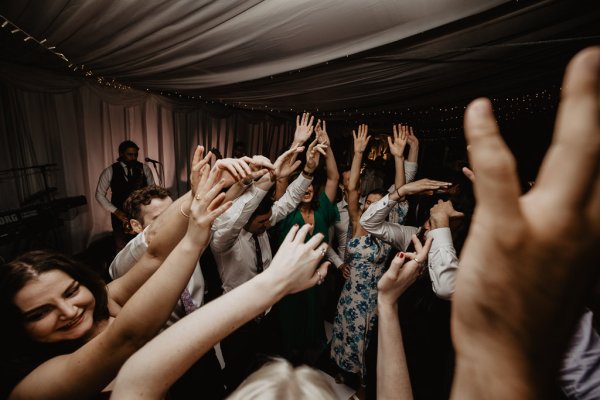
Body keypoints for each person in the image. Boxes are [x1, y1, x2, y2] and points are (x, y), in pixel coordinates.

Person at [0, 148, 232, 399]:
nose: (69, 311)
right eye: (40, 313)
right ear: (16, 327)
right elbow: (128, 337)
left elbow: (155, 255)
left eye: (72, 292)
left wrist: (199, 193)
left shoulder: (105, 299)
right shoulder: (28, 386)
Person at [111, 223, 332, 399]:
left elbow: (137, 378)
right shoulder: (128, 263)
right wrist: (276, 283)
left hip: (196, 349)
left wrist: (274, 283)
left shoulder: (189, 250)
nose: (177, 224)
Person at [209, 145, 309, 392]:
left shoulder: (261, 224)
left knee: (267, 366)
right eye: (261, 221)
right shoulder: (224, 239)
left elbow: (286, 204)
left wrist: (307, 173)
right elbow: (235, 220)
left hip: (266, 310)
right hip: (236, 315)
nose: (267, 225)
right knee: (237, 370)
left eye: (267, 220)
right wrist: (263, 182)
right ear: (247, 218)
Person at [274, 119, 340, 364]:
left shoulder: (322, 206)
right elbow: (282, 178)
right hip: (290, 276)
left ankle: (309, 364)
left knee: (313, 321)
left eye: (311, 184)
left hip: (316, 277)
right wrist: (297, 143)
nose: (308, 188)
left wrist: (328, 146)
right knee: (290, 323)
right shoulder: (286, 211)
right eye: (303, 184)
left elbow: (333, 177)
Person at [95, 140, 155, 251]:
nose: (133, 158)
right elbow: (99, 195)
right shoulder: (109, 171)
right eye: (129, 154)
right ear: (121, 154)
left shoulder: (145, 169)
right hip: (120, 217)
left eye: (135, 155)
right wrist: (116, 211)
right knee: (121, 248)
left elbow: (152, 191)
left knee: (144, 246)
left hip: (140, 214)